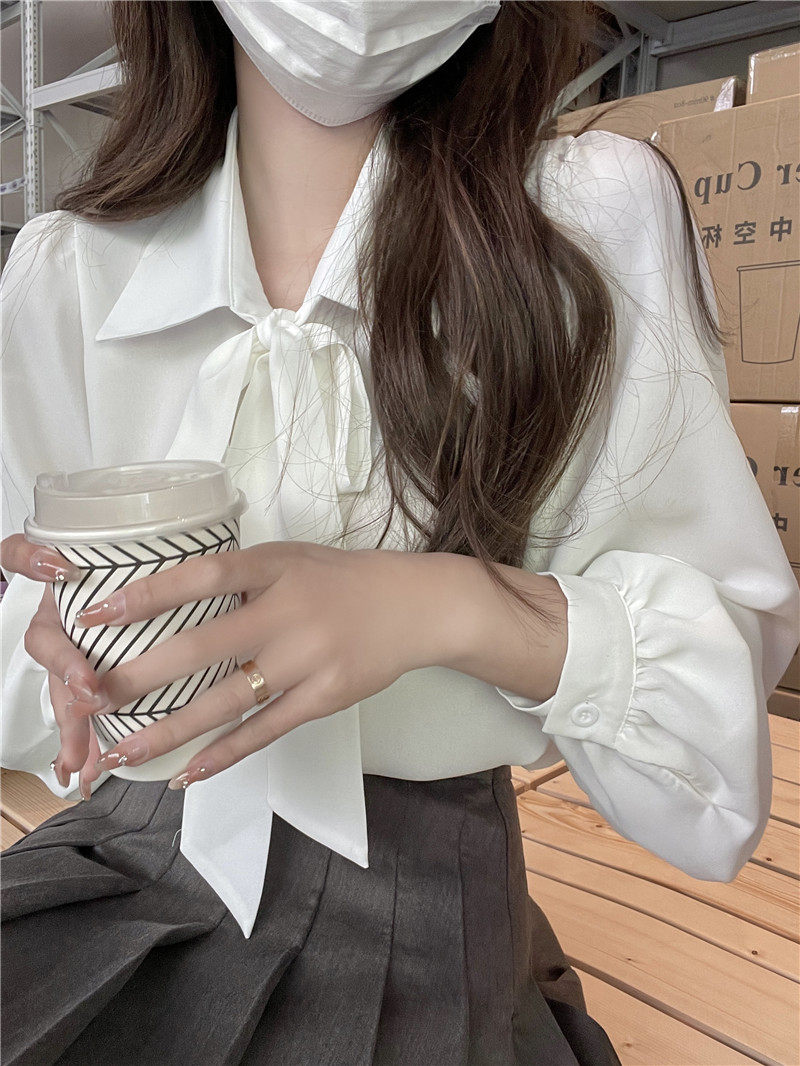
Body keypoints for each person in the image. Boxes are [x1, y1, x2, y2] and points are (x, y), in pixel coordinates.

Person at [1, 2, 797, 1064]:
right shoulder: (65, 266)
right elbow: (32, 639)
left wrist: (444, 604)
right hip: (129, 840)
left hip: (429, 899)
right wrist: (68, 649)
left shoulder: (586, 219)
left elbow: (710, 757)